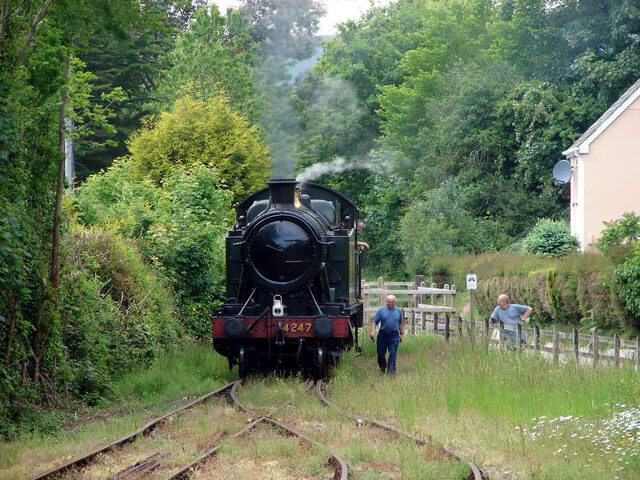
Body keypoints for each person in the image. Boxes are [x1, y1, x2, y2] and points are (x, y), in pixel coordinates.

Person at [370, 295, 403, 374]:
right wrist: (372, 331)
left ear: (394, 302)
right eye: (389, 302)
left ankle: (391, 372)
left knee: (393, 353)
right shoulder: (382, 310)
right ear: (386, 302)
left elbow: (400, 323)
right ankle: (383, 367)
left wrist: (401, 334)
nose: (390, 304)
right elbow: (374, 322)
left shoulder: (398, 310)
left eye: (392, 302)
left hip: (394, 335)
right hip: (383, 334)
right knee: (381, 353)